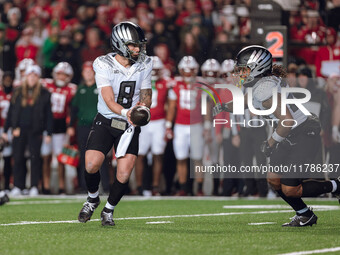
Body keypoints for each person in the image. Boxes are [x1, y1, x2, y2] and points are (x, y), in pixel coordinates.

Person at [213, 45, 340, 227]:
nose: (239, 73)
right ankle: (305, 214)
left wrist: (271, 142)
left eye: (243, 69)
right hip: (291, 132)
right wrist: (224, 106)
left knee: (291, 189)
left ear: (257, 68)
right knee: (274, 179)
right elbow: (246, 102)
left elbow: (287, 120)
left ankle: (336, 186)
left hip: (303, 132)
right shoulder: (262, 83)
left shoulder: (263, 88)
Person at [77, 21, 152, 226]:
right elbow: (109, 100)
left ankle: (108, 210)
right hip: (107, 119)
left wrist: (143, 109)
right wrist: (128, 112)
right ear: (120, 44)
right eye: (133, 45)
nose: (138, 49)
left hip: (129, 125)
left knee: (124, 172)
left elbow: (146, 94)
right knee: (91, 164)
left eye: (139, 45)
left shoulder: (145, 63)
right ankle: (93, 198)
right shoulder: (103, 63)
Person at [2, 65, 53, 196]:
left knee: (35, 159)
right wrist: (8, 129)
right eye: (30, 75)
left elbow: (48, 114)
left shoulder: (44, 93)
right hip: (19, 129)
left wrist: (48, 132)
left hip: (36, 130)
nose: (32, 78)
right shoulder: (18, 92)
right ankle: (18, 185)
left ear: (38, 77)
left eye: (35, 75)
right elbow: (11, 112)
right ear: (26, 77)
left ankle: (34, 186)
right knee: (18, 158)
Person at [67, 61, 110, 193]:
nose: (88, 74)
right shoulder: (80, 89)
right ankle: (84, 186)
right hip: (83, 126)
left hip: (99, 126)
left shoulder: (101, 87)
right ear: (82, 73)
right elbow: (74, 108)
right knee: (84, 156)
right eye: (86, 71)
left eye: (90, 71)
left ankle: (106, 186)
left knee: (101, 155)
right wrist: (70, 125)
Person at [41, 62, 77, 194]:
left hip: (61, 126)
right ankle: (45, 186)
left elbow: (72, 110)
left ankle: (62, 187)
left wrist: (69, 125)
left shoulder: (72, 89)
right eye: (59, 74)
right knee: (45, 157)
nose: (61, 77)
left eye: (64, 75)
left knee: (61, 157)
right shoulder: (45, 84)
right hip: (46, 125)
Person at [135, 56, 168, 196]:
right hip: (143, 121)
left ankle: (155, 186)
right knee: (140, 154)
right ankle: (139, 186)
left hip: (159, 121)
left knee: (158, 154)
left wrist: (168, 124)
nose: (154, 72)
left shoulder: (166, 83)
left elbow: (169, 104)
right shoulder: (140, 82)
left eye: (156, 69)